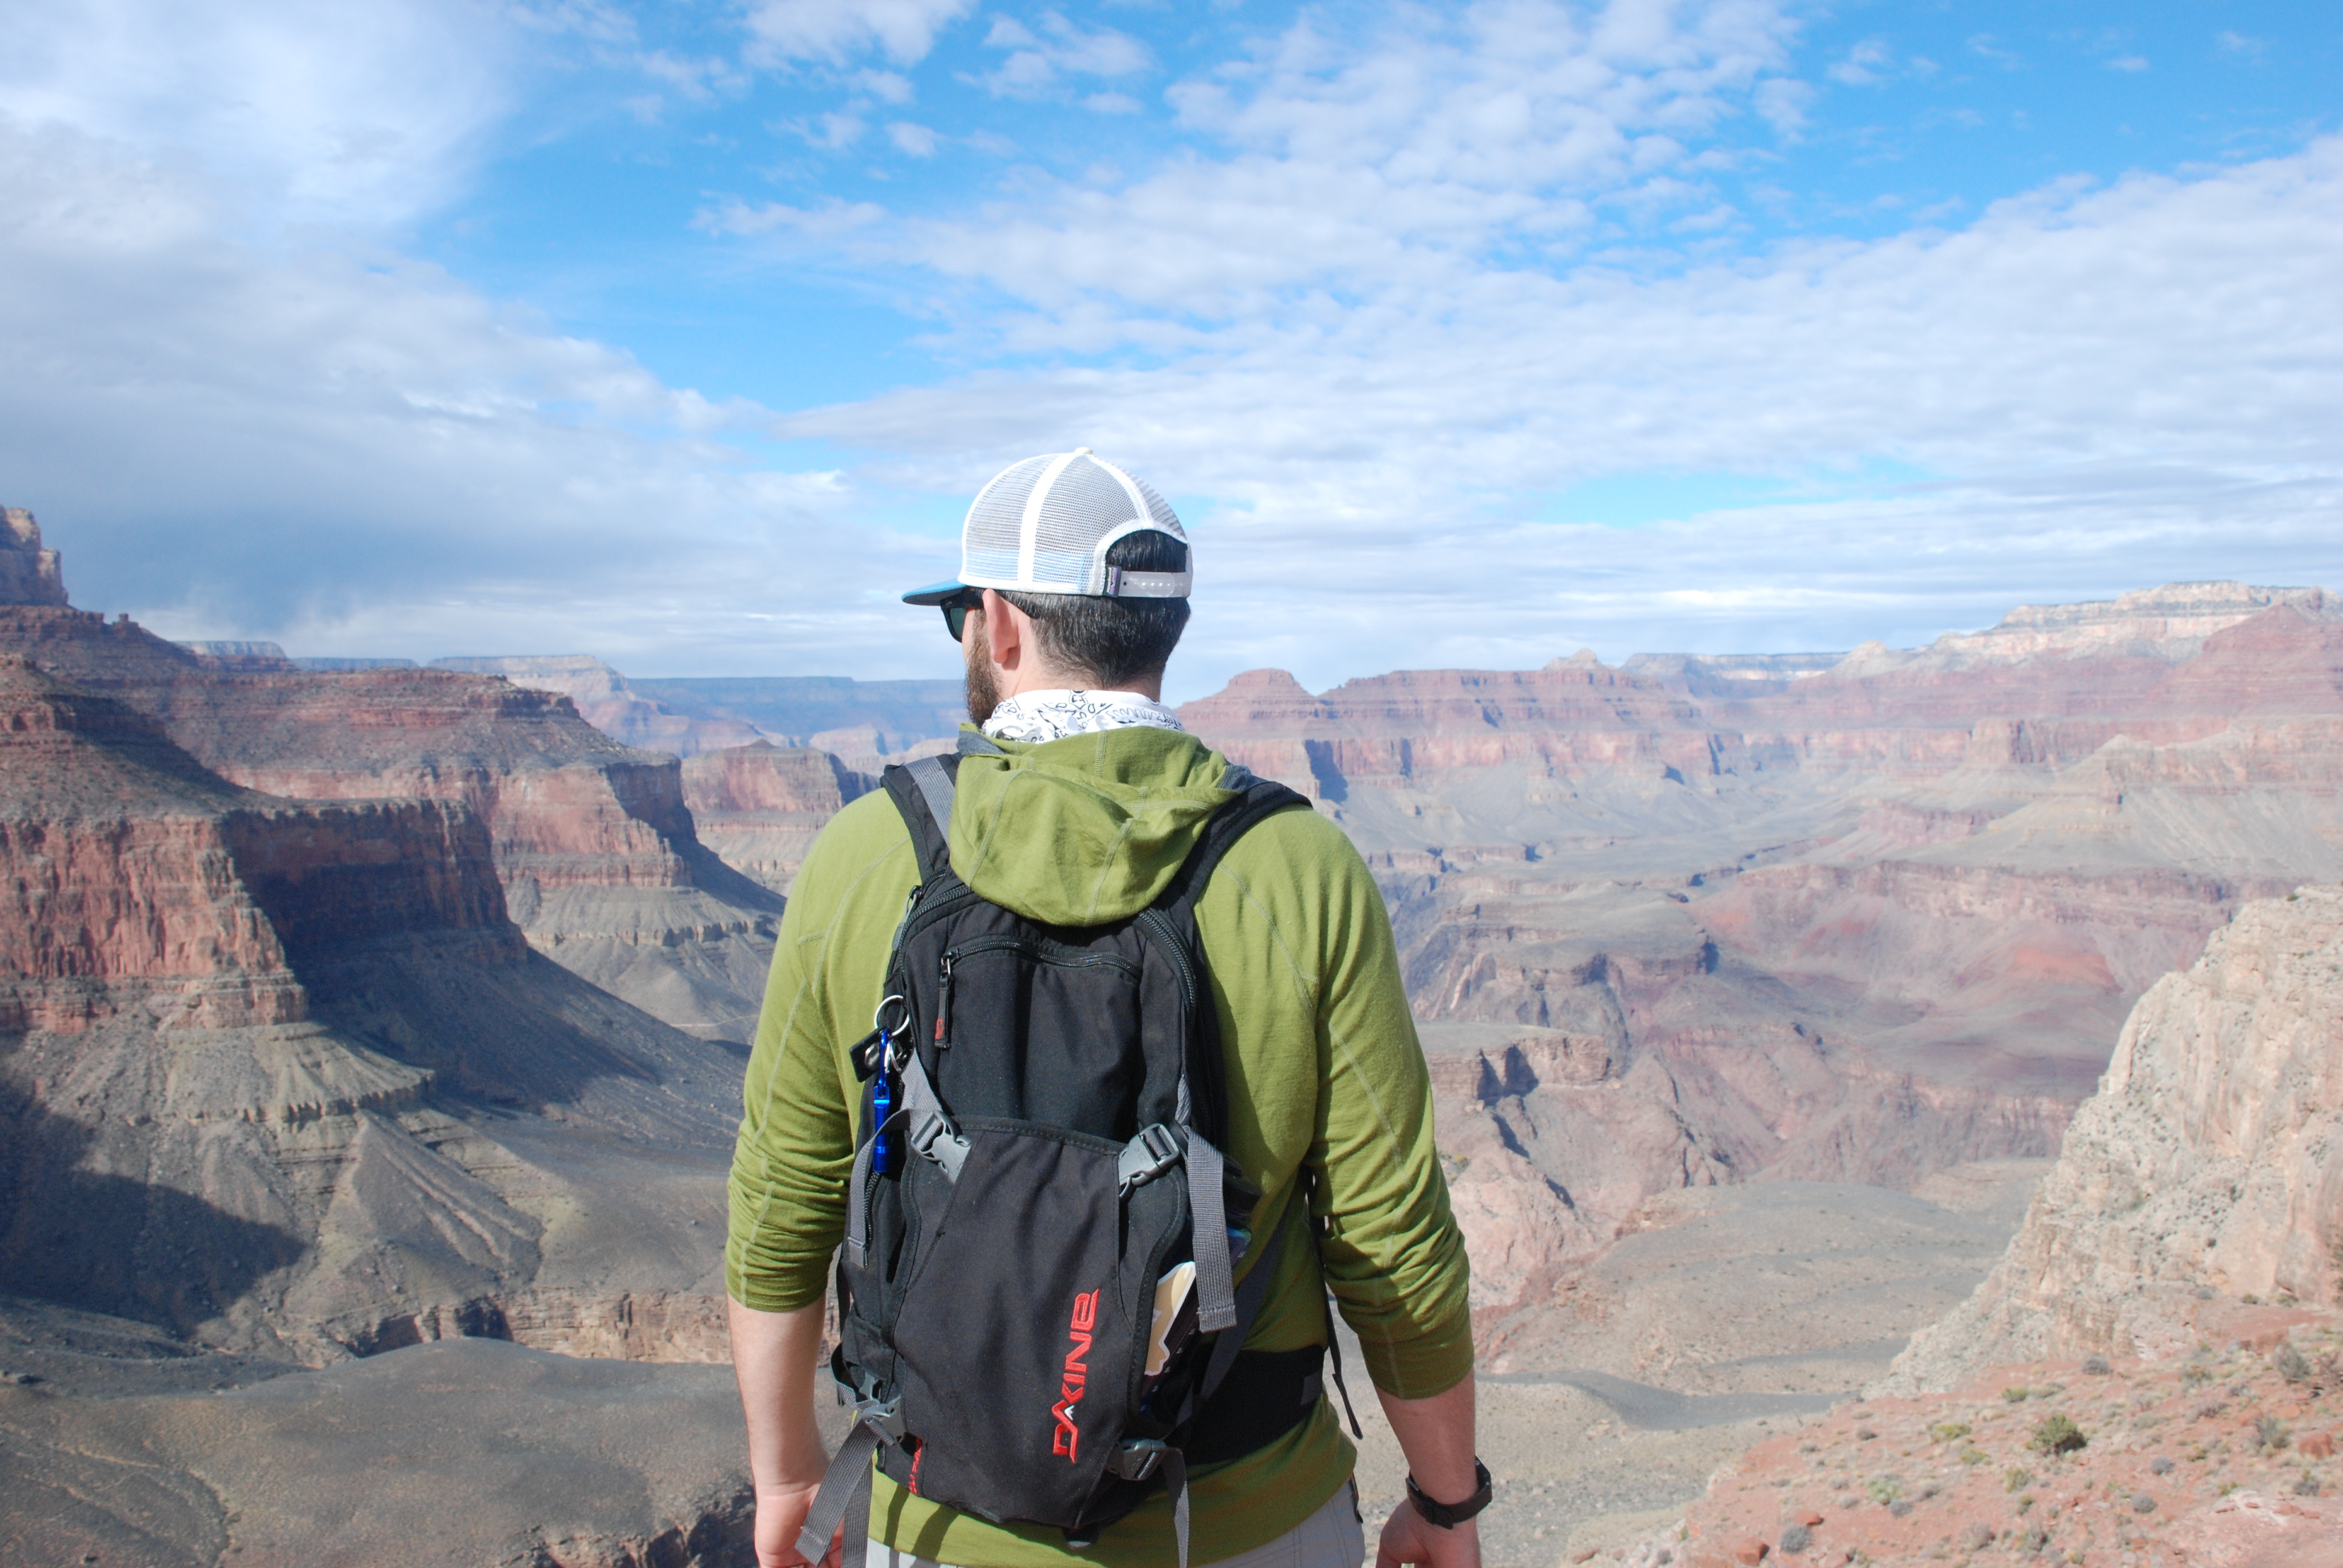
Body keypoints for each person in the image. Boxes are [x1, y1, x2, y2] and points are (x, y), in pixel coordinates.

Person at [726, 449, 1482, 1568]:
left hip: (939, 1523)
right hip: (1246, 1521)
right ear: (1163, 638)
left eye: (963, 625)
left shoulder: (864, 853)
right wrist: (1445, 1503)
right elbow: (1390, 1242)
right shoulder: (1298, 868)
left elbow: (783, 1203)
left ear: (1002, 626)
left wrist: (789, 1472)